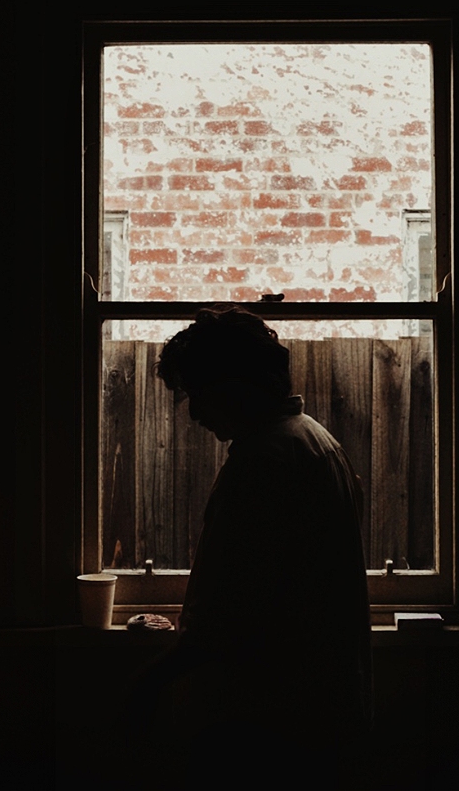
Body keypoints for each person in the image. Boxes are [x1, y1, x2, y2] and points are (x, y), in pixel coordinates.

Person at [123, 305, 373, 790]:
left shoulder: (264, 463)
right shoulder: (316, 442)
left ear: (238, 382)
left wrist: (148, 683)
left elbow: (230, 613)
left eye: (199, 392)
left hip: (266, 729)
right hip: (313, 716)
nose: (193, 412)